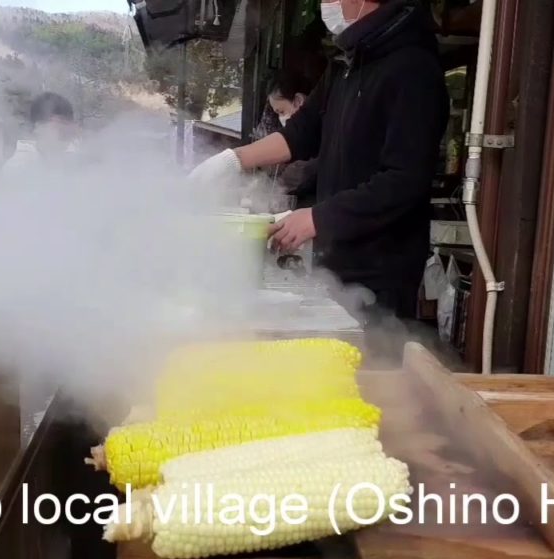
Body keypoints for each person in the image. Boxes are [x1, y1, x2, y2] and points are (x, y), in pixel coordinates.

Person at [190, 0, 449, 327]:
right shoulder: (347, 64)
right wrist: (233, 160)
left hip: (381, 274)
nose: (326, 4)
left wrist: (319, 217)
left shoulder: (413, 70)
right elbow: (300, 133)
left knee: (370, 370)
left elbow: (405, 180)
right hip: (335, 264)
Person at [257, 70, 319, 207]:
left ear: (298, 101)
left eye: (281, 112)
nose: (281, 118)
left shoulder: (322, 135)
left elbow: (302, 172)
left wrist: (269, 189)